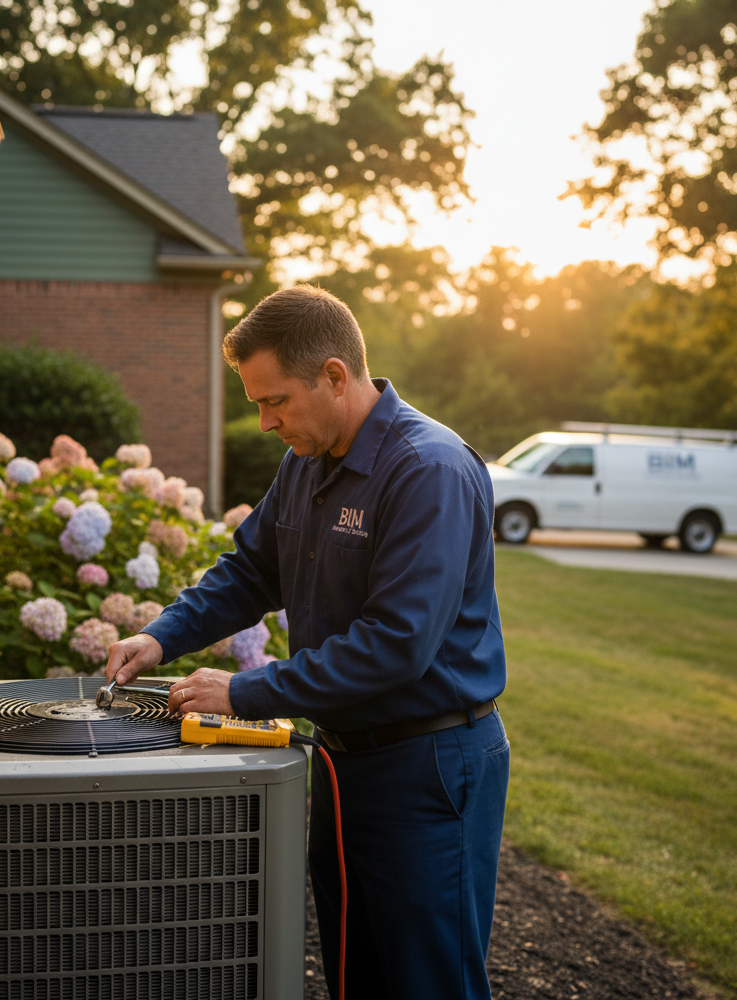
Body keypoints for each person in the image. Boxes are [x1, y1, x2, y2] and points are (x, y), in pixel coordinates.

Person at [105, 284, 509, 1000]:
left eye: (274, 400)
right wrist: (161, 637)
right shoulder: (307, 461)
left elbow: (396, 644)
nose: (263, 422)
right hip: (342, 763)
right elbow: (251, 571)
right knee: (358, 969)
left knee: (428, 979)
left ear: (333, 375)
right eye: (256, 403)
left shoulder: (429, 471)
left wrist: (246, 692)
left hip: (429, 764)